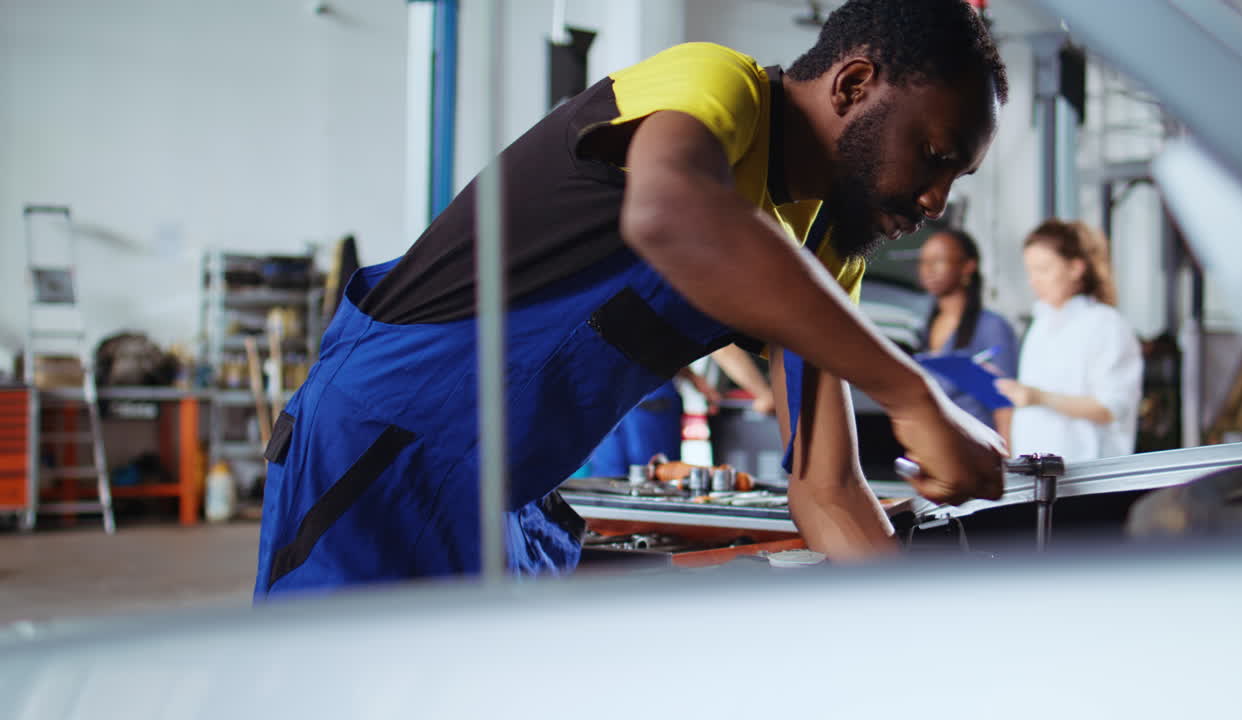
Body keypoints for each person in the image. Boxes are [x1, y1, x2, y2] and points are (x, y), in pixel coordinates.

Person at [255, 0, 1010, 597]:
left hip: (500, 495)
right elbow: (670, 215)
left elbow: (829, 488)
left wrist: (925, 633)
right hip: (379, 458)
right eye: (935, 156)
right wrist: (913, 397)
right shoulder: (719, 85)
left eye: (957, 178)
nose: (937, 199)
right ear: (852, 85)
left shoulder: (824, 248)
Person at [996, 220, 1143, 462]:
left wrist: (1040, 397)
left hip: (1085, 473)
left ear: (1076, 268)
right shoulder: (1041, 322)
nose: (1034, 281)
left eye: (1043, 269)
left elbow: (1110, 407)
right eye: (1030, 271)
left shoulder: (1106, 324)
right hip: (1038, 472)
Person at [589, 345, 774, 477]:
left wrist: (693, 377)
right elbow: (724, 347)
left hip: (602, 393)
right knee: (657, 481)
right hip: (648, 397)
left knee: (609, 485)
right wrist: (764, 393)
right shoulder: (698, 291)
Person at [915, 228, 1018, 440]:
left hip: (977, 448)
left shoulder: (991, 326)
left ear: (968, 266)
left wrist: (1008, 466)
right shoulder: (926, 325)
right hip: (935, 445)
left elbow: (1005, 405)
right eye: (924, 262)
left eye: (938, 260)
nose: (928, 269)